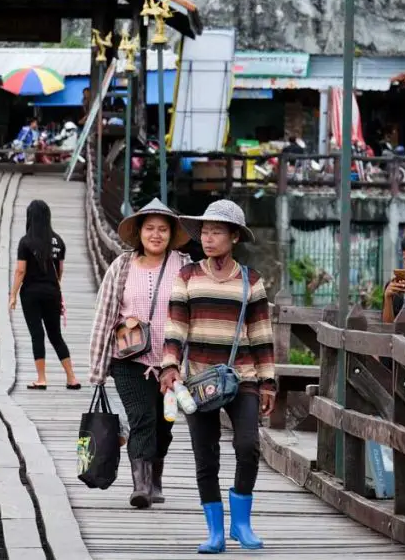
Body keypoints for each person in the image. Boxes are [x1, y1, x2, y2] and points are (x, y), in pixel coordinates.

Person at [159, 199, 276, 554]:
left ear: (234, 236)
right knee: (205, 455)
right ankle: (214, 531)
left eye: (216, 232)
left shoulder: (251, 281)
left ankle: (241, 523)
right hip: (198, 379)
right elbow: (176, 325)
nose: (208, 239)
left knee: (248, 447)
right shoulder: (188, 276)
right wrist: (169, 365)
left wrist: (269, 381)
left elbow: (261, 335)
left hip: (243, 377)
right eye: (205, 232)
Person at [88, 199, 190, 509]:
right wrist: (97, 367)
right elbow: (105, 315)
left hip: (171, 362)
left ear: (171, 234)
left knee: (164, 423)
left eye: (162, 229)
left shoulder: (184, 266)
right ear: (139, 233)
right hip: (129, 360)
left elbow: (193, 315)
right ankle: (141, 486)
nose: (156, 235)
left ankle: (155, 477)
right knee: (142, 418)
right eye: (150, 229)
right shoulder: (122, 266)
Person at [10, 199, 80, 390]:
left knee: (37, 334)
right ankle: (71, 377)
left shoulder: (26, 241)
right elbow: (60, 270)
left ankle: (41, 378)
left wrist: (13, 294)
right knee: (56, 335)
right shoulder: (58, 241)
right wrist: (55, 287)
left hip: (31, 294)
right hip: (52, 292)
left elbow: (20, 271)